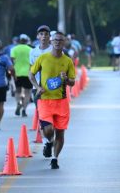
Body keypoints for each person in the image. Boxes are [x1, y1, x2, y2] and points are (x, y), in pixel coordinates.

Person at [32, 31, 77, 170]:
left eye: (60, 40)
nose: (57, 42)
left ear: (64, 43)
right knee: (48, 130)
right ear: (51, 42)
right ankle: (49, 141)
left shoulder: (68, 61)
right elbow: (31, 74)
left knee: (60, 132)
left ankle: (55, 159)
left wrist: (66, 79)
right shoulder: (43, 58)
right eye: (55, 40)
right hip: (45, 100)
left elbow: (73, 82)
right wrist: (37, 87)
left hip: (61, 102)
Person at [11, 33, 34, 116]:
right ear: (27, 40)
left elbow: (12, 60)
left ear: (19, 40)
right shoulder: (31, 50)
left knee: (18, 90)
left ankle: (18, 103)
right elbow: (33, 61)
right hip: (28, 73)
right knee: (28, 92)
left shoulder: (14, 49)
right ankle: (24, 110)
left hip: (17, 73)